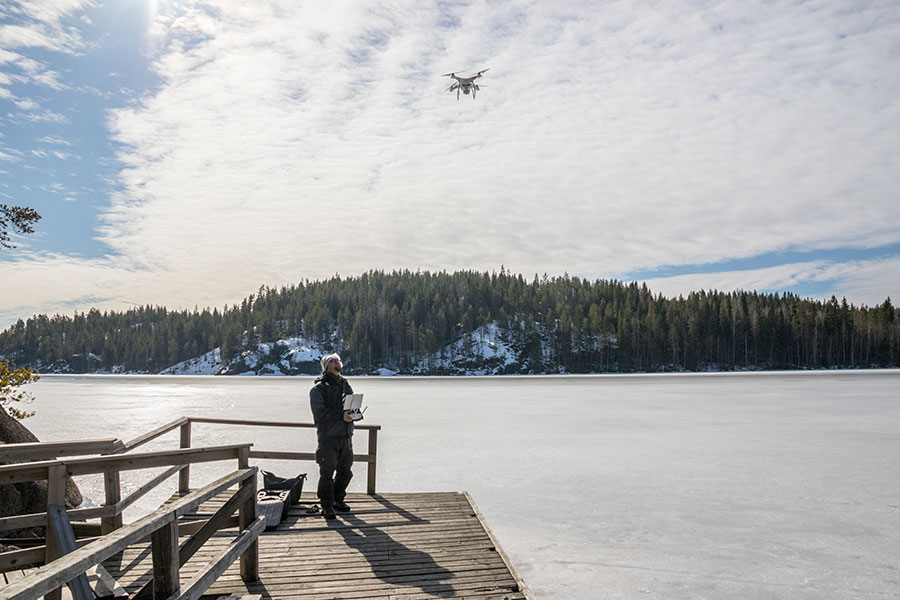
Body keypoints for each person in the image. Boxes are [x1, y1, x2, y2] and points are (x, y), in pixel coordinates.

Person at [309, 352, 354, 520]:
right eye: (334, 361)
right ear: (326, 365)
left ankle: (338, 500)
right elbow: (319, 412)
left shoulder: (345, 384)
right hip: (328, 437)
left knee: (346, 472)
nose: (338, 362)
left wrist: (354, 414)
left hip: (346, 436)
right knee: (327, 473)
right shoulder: (319, 389)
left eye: (338, 360)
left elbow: (350, 406)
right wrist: (341, 415)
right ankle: (326, 505)